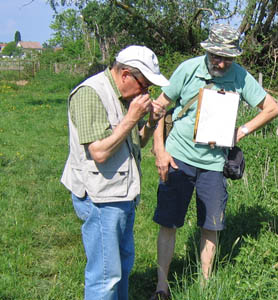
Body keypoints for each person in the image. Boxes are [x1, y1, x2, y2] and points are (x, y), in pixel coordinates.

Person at [150, 24, 278, 300]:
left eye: (227, 58)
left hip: (213, 163)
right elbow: (159, 107)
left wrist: (240, 132)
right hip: (178, 157)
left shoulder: (241, 77)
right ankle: (162, 286)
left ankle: (205, 287)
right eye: (215, 56)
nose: (221, 63)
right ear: (206, 50)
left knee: (211, 224)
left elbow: (272, 108)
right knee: (169, 221)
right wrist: (160, 151)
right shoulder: (188, 69)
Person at [61, 45, 169, 300]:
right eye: (144, 85)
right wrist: (131, 118)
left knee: (122, 267)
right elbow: (98, 152)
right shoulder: (90, 94)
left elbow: (136, 143)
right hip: (100, 198)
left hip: (123, 195)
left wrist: (151, 123)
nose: (146, 93)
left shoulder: (125, 98)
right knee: (105, 276)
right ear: (125, 75)